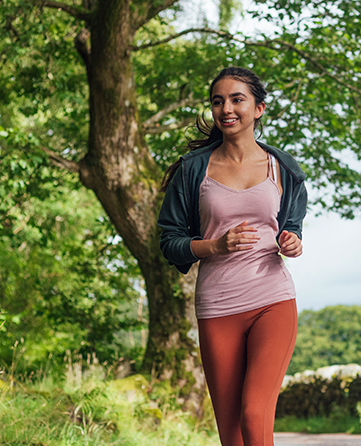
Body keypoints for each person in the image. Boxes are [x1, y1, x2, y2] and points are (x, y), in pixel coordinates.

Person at [157, 67, 308, 446]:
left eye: (237, 99)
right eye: (218, 101)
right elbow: (169, 240)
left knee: (254, 415)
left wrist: (292, 241)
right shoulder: (194, 170)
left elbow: (291, 227)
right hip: (217, 306)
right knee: (231, 434)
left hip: (271, 300)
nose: (226, 108)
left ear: (258, 108)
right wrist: (213, 246)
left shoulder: (284, 169)